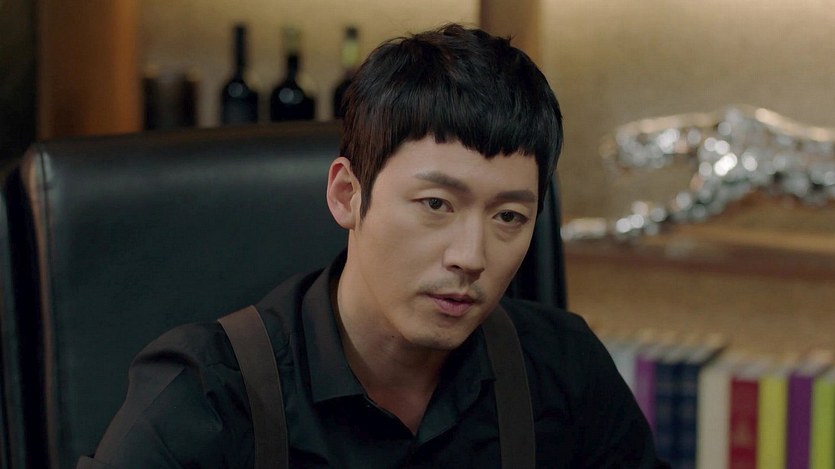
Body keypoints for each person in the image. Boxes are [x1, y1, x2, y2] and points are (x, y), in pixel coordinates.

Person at [80, 24, 666, 468]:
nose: (471, 256)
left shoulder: (564, 370)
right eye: (436, 204)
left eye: (509, 216)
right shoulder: (205, 395)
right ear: (347, 195)